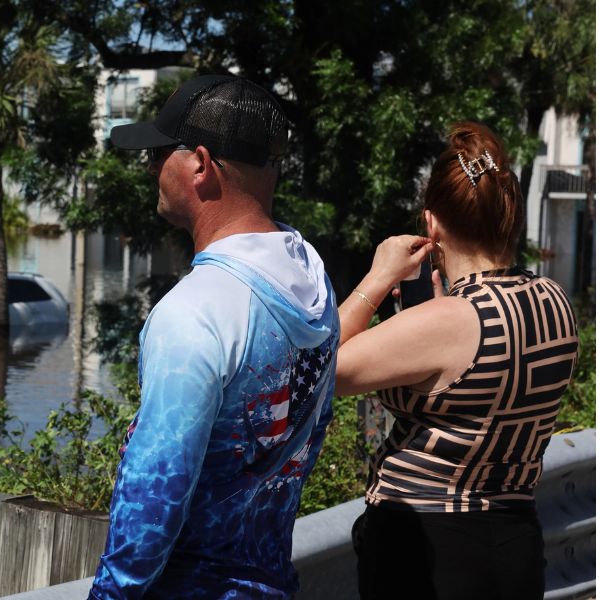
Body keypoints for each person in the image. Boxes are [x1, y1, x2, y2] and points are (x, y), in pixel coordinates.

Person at [89, 74, 341, 599]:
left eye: (160, 154)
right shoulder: (313, 282)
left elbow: (153, 501)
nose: (152, 169)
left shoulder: (194, 313)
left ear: (200, 165)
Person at [335, 122, 579, 600]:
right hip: (515, 544)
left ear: (432, 225)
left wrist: (379, 277)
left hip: (425, 553)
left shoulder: (445, 322)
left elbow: (320, 370)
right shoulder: (556, 302)